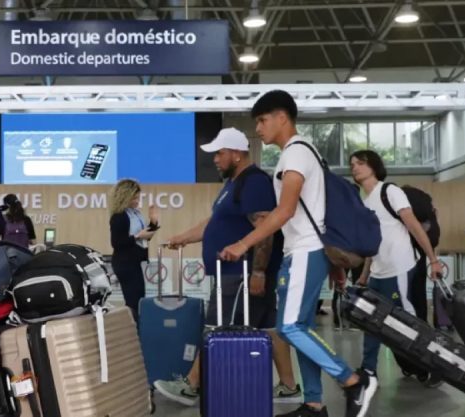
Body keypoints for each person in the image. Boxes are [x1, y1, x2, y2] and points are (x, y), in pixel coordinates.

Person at [221, 90, 377, 417]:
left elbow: (284, 211)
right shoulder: (302, 153)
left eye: (263, 120)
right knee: (300, 327)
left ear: (282, 118)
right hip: (306, 250)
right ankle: (314, 403)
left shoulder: (295, 153)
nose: (259, 129)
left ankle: (352, 380)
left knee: (290, 328)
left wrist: (243, 243)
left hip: (306, 249)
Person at [152, 128, 301, 407]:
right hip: (238, 274)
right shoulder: (234, 184)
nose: (215, 160)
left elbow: (265, 229)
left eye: (220, 153)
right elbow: (214, 223)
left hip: (239, 274)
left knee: (217, 328)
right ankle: (290, 387)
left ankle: (191, 386)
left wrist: (257, 272)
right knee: (269, 329)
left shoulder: (253, 182)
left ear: (236, 153)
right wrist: (183, 237)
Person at [349, 150, 444, 387]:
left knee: (407, 322)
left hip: (400, 267)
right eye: (352, 165)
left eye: (361, 163)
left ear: (374, 166)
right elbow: (373, 243)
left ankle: (431, 366)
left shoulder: (390, 192)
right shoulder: (364, 201)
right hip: (378, 272)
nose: (355, 168)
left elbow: (413, 226)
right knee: (370, 319)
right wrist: (363, 275)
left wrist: (432, 260)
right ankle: (369, 370)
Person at [108, 179, 159, 320]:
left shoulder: (135, 215)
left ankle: (136, 330)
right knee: (133, 302)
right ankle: (132, 332)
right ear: (125, 197)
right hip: (124, 263)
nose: (137, 201)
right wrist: (137, 236)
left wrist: (153, 223)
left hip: (134, 262)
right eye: (135, 198)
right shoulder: (119, 217)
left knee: (139, 300)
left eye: (138, 197)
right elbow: (117, 242)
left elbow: (144, 237)